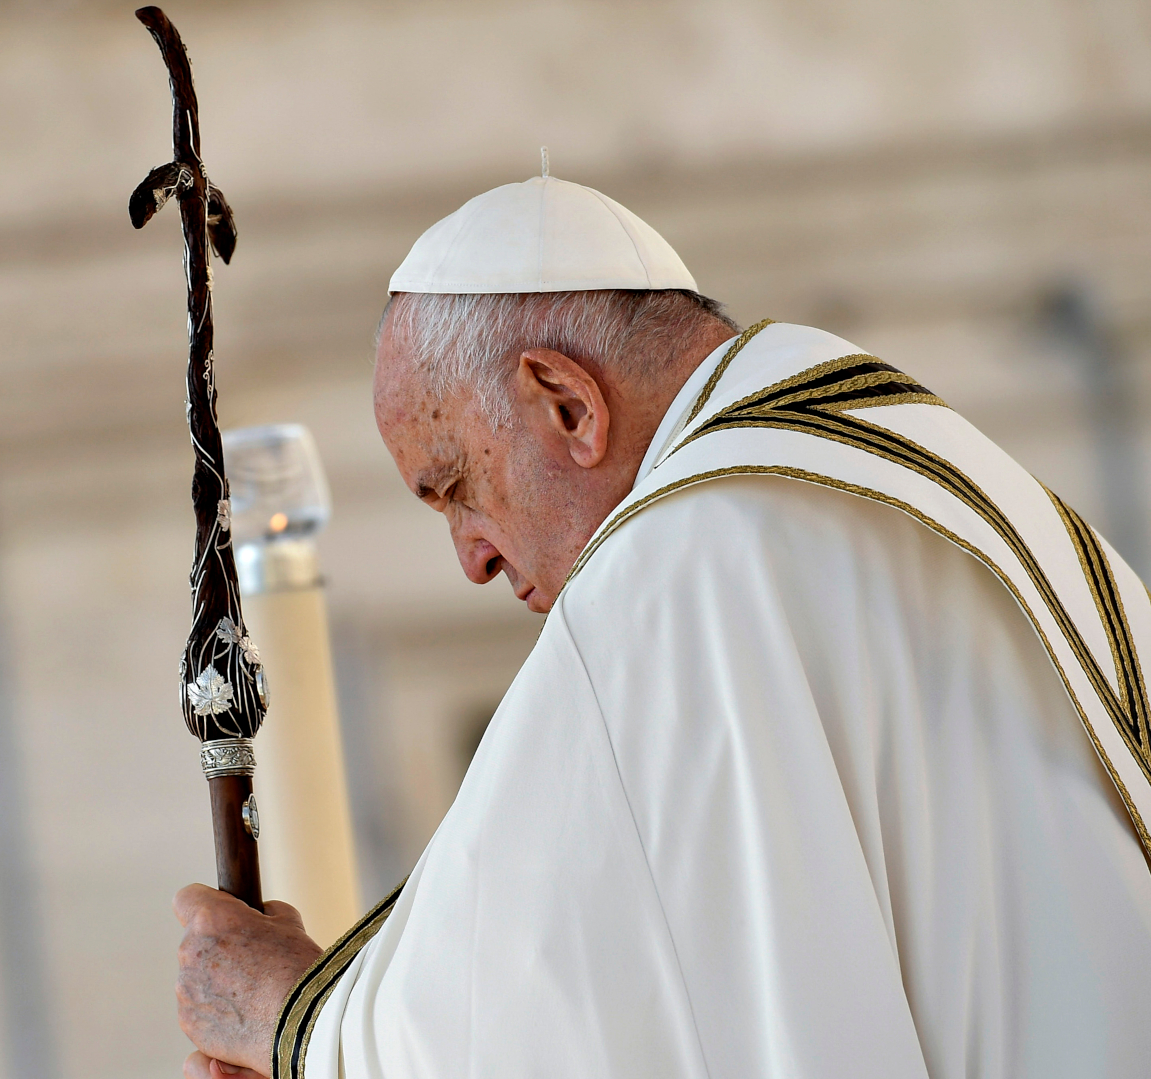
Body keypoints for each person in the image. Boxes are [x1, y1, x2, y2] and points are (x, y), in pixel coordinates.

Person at [173, 170, 1151, 1079]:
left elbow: (552, 1018)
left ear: (566, 405)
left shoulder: (684, 562)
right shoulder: (939, 474)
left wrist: (293, 1017)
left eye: (457, 488)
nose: (472, 558)